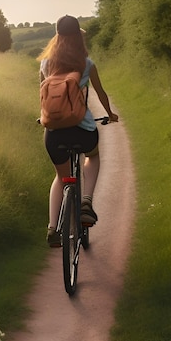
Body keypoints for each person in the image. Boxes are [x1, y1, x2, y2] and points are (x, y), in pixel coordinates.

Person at [38, 15, 118, 247]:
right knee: (92, 157)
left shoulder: (45, 64)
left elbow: (43, 98)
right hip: (82, 131)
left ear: (57, 37)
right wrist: (110, 114)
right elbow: (101, 94)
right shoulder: (87, 63)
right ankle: (85, 202)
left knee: (62, 178)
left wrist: (45, 118)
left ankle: (53, 228)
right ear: (78, 37)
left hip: (54, 134)